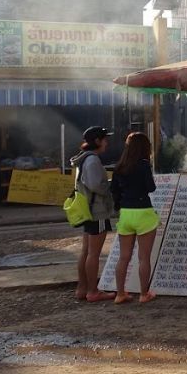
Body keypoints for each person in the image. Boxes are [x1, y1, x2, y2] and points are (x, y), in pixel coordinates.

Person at [109, 131, 159, 304]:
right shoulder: (144, 165)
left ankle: (120, 293)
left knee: (124, 257)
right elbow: (151, 188)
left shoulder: (120, 166)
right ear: (145, 148)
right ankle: (144, 294)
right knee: (144, 257)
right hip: (143, 212)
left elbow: (113, 189)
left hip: (126, 212)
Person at [68, 126, 115, 302]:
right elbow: (96, 185)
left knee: (86, 251)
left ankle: (82, 288)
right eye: (104, 139)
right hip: (98, 211)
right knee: (93, 253)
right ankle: (93, 291)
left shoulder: (83, 159)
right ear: (97, 141)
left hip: (88, 209)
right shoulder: (93, 161)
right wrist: (111, 187)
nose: (107, 142)